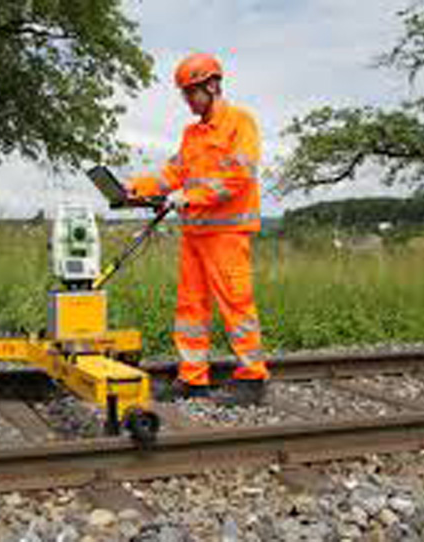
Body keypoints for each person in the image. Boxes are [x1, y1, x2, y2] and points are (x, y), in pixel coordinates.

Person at [125, 52, 269, 404]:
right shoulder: (191, 134)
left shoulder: (240, 123)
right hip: (195, 234)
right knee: (190, 308)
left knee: (236, 306)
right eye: (184, 93)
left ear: (213, 85)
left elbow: (238, 175)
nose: (188, 100)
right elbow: (173, 173)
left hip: (226, 235)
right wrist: (136, 188)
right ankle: (192, 379)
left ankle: (252, 379)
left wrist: (191, 197)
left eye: (192, 92)